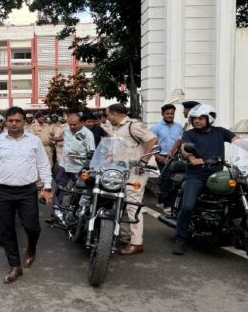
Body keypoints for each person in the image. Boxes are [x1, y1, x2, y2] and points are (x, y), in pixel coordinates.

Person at [0, 106, 53, 283]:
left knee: (32, 227)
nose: (14, 124)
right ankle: (15, 266)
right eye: (10, 120)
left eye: (17, 120)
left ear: (23, 122)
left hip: (27, 190)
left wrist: (47, 188)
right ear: (6, 121)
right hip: (2, 191)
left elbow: (43, 164)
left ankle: (31, 248)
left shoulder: (34, 141)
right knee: (6, 230)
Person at [173, 104, 241, 255]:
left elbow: (239, 141)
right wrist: (192, 158)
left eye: (201, 118)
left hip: (217, 175)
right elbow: (184, 148)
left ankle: (240, 237)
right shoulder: (189, 134)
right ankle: (180, 239)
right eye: (194, 118)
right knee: (187, 207)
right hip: (196, 175)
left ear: (209, 118)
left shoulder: (220, 132)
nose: (197, 121)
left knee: (238, 200)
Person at [105, 103, 158, 255]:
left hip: (136, 171)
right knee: (121, 203)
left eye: (108, 115)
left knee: (133, 205)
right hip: (120, 170)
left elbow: (153, 139)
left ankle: (136, 243)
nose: (107, 118)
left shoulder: (133, 125)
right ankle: (125, 235)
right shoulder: (116, 128)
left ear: (115, 114)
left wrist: (144, 160)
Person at [47, 113, 95, 221]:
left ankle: (76, 216)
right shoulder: (66, 131)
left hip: (78, 168)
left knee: (79, 192)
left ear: (81, 123)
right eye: (70, 124)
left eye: (75, 124)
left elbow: (91, 152)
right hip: (64, 165)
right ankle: (55, 214)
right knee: (59, 189)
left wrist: (83, 161)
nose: (72, 127)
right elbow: (64, 140)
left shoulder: (88, 134)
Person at [150, 104, 184, 208]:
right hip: (162, 157)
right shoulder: (156, 128)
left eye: (172, 114)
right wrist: (158, 157)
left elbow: (181, 141)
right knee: (167, 178)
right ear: (162, 114)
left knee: (174, 180)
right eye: (167, 113)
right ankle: (167, 205)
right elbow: (151, 144)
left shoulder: (179, 127)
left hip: (176, 157)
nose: (170, 115)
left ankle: (162, 201)